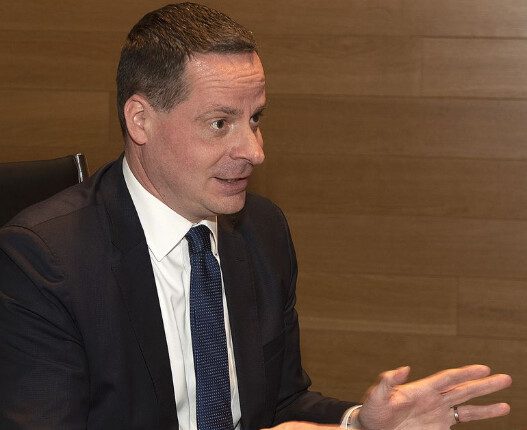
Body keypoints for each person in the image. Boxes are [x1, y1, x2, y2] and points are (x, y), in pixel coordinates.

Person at [0, 3, 511, 430]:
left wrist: (358, 425)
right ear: (141, 120)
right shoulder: (44, 261)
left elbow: (277, 404)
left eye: (256, 118)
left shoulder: (261, 231)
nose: (254, 150)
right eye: (220, 123)